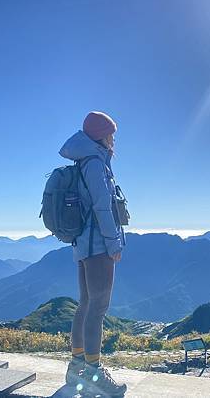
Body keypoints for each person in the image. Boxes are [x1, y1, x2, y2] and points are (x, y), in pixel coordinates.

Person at [59, 111, 127, 396]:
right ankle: (94, 376)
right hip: (98, 246)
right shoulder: (95, 164)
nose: (113, 139)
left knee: (85, 305)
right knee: (97, 308)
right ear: (101, 135)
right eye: (110, 133)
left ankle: (77, 367)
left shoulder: (84, 161)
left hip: (82, 246)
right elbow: (102, 207)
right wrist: (114, 244)